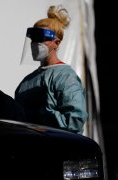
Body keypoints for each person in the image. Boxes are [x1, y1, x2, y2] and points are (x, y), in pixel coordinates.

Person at [14, 5, 88, 134]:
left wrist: (41, 114)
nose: (35, 44)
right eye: (33, 39)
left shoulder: (65, 77)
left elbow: (75, 121)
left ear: (57, 43)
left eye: (41, 38)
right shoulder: (26, 82)